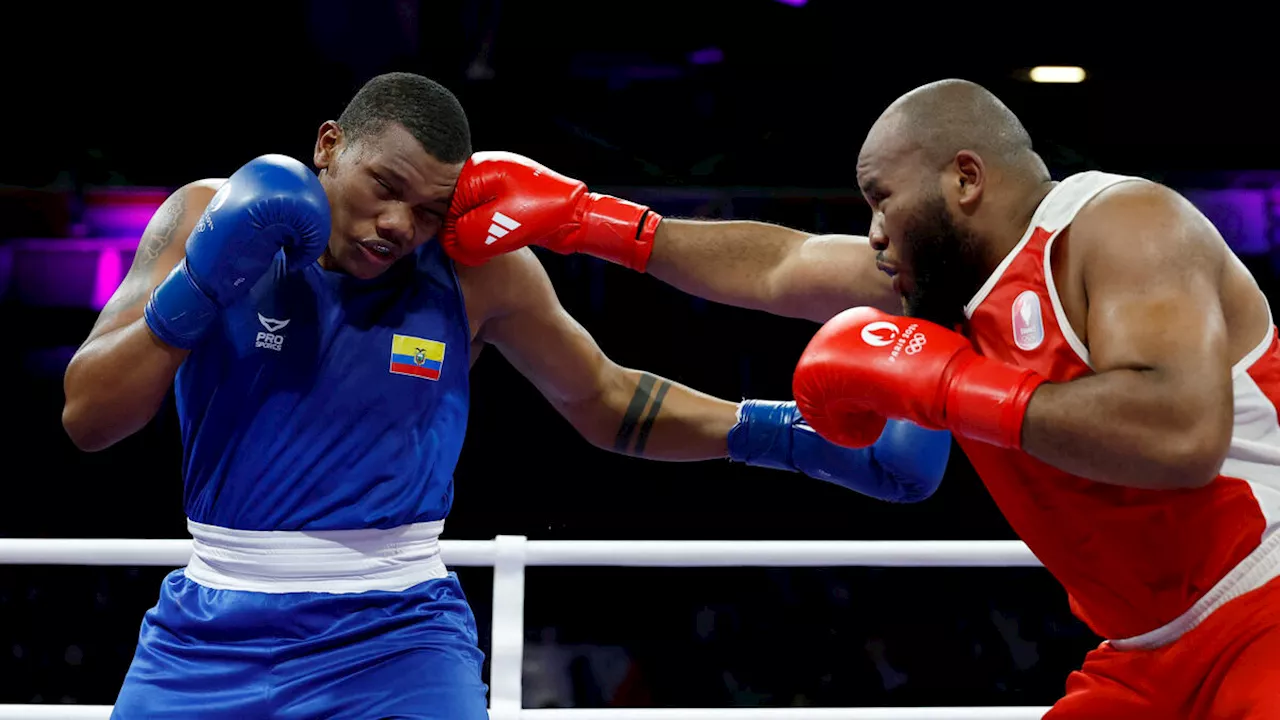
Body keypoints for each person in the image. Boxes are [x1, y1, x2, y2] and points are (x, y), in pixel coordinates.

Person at [59, 72, 950, 719]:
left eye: (431, 208)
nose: (400, 225)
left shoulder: (475, 270)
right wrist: (204, 286)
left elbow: (604, 397)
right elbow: (88, 419)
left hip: (396, 636)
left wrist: (786, 434)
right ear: (329, 144)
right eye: (384, 189)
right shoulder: (206, 216)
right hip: (210, 633)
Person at [441, 80, 1280, 716]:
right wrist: (586, 221)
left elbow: (1181, 433)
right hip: (1142, 652)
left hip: (1263, 607)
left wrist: (953, 386)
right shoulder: (936, 290)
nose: (873, 229)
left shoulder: (1121, 225)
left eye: (882, 199)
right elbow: (781, 265)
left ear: (964, 179)